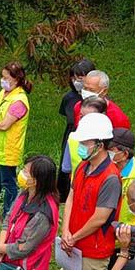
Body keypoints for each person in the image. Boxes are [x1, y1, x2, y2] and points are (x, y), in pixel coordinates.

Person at [58, 113, 121, 270]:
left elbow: (101, 217)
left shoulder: (110, 177)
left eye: (86, 142)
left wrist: (74, 235)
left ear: (101, 144)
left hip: (94, 248)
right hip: (73, 244)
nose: (82, 146)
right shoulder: (83, 167)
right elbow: (71, 196)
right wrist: (65, 229)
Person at [0, 61, 33, 218]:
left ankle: (8, 214)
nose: (2, 80)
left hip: (7, 150)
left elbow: (4, 125)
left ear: (16, 80)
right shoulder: (4, 93)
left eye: (5, 77)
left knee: (8, 183)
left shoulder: (19, 101)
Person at [58, 58, 96, 200]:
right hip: (72, 134)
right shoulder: (69, 98)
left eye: (79, 78)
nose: (76, 82)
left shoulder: (96, 99)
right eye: (73, 78)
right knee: (66, 167)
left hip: (89, 138)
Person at [62, 95, 109, 179]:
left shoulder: (111, 142)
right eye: (81, 116)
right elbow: (68, 170)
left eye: (88, 117)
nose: (83, 120)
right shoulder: (73, 137)